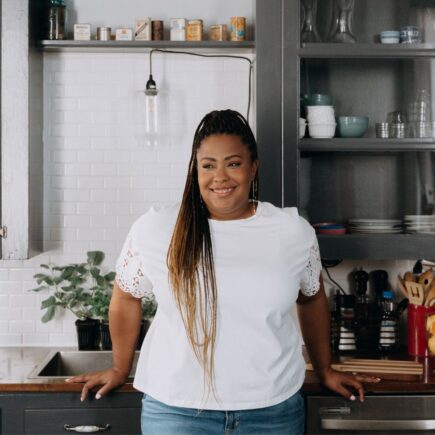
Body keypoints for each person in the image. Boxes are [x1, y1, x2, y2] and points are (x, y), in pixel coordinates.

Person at [67, 109, 380, 434]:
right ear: (195, 170)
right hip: (177, 412)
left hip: (272, 411)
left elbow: (311, 299)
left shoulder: (292, 232)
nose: (220, 177)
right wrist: (120, 367)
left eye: (233, 163)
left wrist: (325, 368)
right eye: (208, 165)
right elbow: (125, 297)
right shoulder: (156, 229)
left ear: (252, 167)